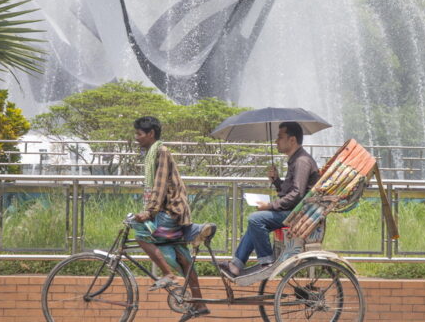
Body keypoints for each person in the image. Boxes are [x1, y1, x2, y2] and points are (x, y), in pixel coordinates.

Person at [131, 116, 214, 321]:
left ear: (151, 134)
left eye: (139, 134)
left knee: (139, 231)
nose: (136, 138)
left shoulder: (161, 151)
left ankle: (167, 274)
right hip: (172, 212)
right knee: (183, 257)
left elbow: (159, 187)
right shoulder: (153, 152)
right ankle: (199, 302)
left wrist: (149, 212)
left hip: (170, 212)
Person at [220, 122, 319, 277]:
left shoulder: (302, 161)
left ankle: (267, 262)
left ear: (292, 140)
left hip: (297, 214)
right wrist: (276, 181)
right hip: (292, 211)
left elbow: (297, 194)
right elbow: (290, 192)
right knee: (255, 222)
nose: (276, 141)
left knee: (256, 220)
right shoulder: (296, 160)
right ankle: (236, 265)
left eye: (280, 137)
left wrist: (270, 206)